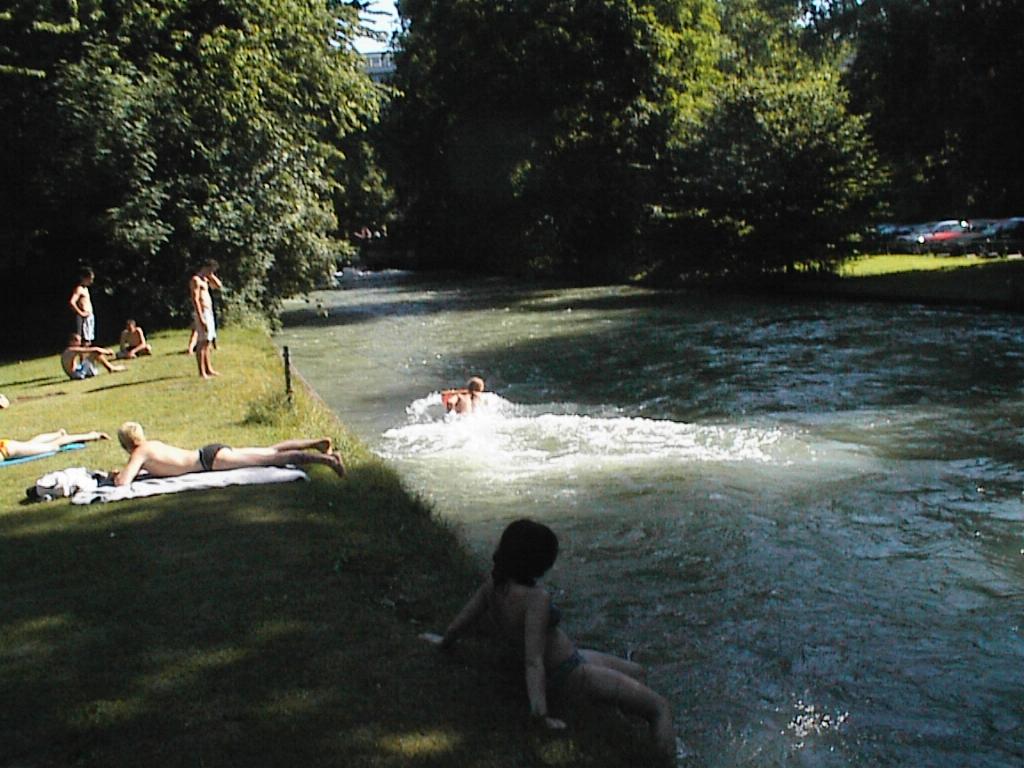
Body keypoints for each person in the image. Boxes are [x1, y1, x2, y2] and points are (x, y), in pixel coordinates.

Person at [420, 519, 677, 762]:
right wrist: (541, 715)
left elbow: (464, 619)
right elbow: (533, 660)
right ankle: (662, 760)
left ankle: (633, 737)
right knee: (660, 707)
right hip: (571, 675)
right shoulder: (535, 598)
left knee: (637, 672)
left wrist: (444, 641)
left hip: (572, 661)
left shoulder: (494, 585)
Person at [113, 421, 346, 486]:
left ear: (126, 443)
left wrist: (118, 476)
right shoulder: (150, 446)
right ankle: (317, 444)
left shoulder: (139, 453)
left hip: (210, 461)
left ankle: (328, 460)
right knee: (270, 451)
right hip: (209, 453)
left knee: (271, 459)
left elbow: (123, 483)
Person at [189, 261, 223, 377]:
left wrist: (211, 276)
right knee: (202, 342)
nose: (211, 272)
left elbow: (218, 285)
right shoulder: (196, 280)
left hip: (209, 311)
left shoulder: (206, 280)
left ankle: (209, 369)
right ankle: (202, 371)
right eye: (211, 270)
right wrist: (201, 317)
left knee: (208, 341)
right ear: (205, 267)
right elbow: (195, 299)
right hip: (202, 312)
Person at [0, 429, 109, 461]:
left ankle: (92, 436)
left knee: (53, 446)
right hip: (7, 446)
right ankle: (58, 434)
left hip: (8, 450)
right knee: (30, 444)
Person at [61, 333, 126, 379]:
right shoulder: (72, 350)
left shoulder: (68, 351)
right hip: (76, 374)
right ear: (71, 342)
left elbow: (84, 354)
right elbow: (95, 349)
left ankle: (109, 368)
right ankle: (111, 368)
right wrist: (107, 352)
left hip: (76, 372)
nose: (80, 343)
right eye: (78, 341)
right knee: (95, 353)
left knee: (92, 355)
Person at [69, 267, 96, 343]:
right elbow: (72, 302)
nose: (91, 281)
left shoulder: (86, 289)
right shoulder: (79, 289)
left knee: (89, 339)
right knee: (83, 339)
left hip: (89, 316)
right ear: (84, 278)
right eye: (90, 279)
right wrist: (80, 313)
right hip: (83, 317)